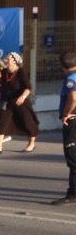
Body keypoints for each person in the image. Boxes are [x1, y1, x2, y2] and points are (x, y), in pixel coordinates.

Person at [0, 52, 39, 152]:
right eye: (5, 58)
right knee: (2, 122)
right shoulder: (3, 72)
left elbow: (28, 87)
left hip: (20, 102)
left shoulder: (21, 72)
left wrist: (23, 97)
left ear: (14, 61)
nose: (5, 60)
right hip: (6, 102)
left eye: (8, 59)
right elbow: (2, 86)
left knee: (28, 122)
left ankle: (31, 143)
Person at [54, 50, 76, 206]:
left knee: (72, 158)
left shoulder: (70, 79)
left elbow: (73, 98)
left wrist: (66, 114)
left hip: (72, 122)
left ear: (61, 65)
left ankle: (73, 193)